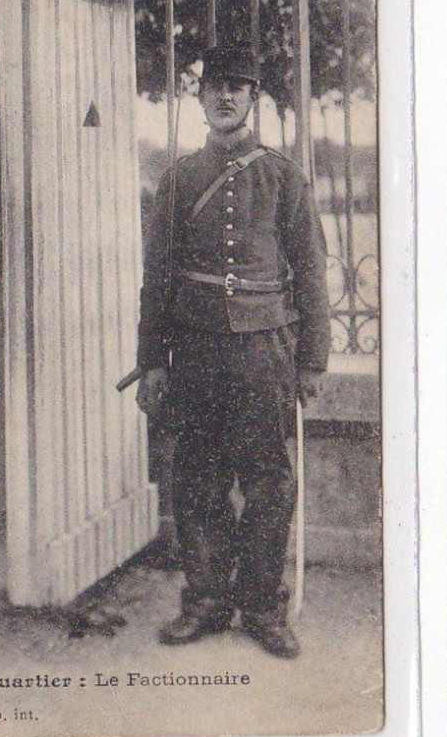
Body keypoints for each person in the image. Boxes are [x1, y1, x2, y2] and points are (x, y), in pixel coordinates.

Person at [136, 45, 330, 658]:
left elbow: (313, 272)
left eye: (237, 88)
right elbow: (156, 280)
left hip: (264, 351)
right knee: (198, 477)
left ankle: (261, 606)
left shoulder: (283, 176)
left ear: (252, 99)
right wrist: (153, 360)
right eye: (215, 88)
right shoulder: (179, 180)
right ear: (199, 100)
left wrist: (311, 360)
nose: (225, 98)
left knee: (269, 481)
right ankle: (207, 601)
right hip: (194, 351)